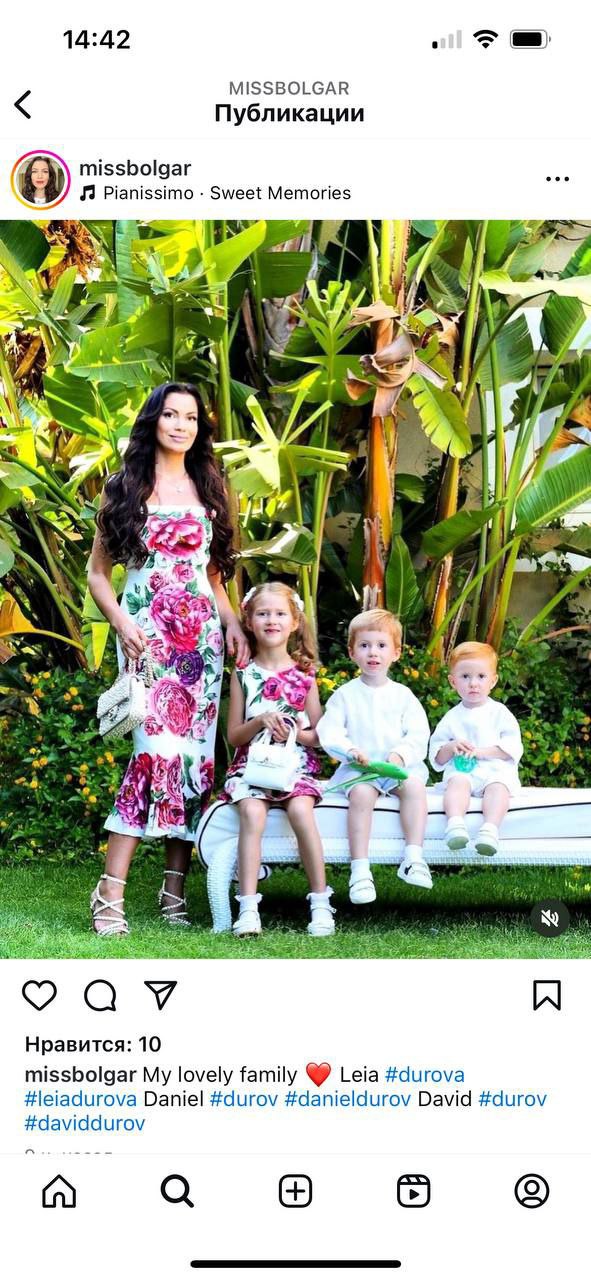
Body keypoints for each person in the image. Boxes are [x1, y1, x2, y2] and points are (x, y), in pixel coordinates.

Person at [87, 382, 249, 936]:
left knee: (195, 760)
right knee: (152, 754)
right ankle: (109, 893)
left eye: (191, 417)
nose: (181, 425)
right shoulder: (124, 487)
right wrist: (122, 624)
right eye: (171, 415)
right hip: (146, 636)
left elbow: (214, 577)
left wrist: (232, 622)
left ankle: (172, 892)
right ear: (153, 420)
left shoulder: (210, 486)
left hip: (200, 643)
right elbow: (97, 575)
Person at [221, 581, 335, 939]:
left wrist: (295, 733)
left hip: (294, 766)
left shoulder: (305, 675)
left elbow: (318, 735)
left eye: (280, 614)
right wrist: (259, 721)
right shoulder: (243, 673)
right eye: (263, 614)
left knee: (301, 811)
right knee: (253, 813)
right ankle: (248, 907)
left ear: (295, 622)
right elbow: (234, 736)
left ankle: (320, 902)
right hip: (251, 766)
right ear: (249, 621)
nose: (272, 620)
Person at [317, 608, 432, 899]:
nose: (373, 652)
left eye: (381, 645)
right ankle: (360, 870)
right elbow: (329, 731)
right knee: (361, 795)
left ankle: (414, 858)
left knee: (414, 787)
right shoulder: (345, 695)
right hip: (360, 769)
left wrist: (400, 755)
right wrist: (350, 751)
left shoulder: (403, 695)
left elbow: (418, 734)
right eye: (365, 645)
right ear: (352, 652)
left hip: (395, 766)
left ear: (396, 653)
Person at [429, 641, 523, 856]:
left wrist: (481, 752)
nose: (473, 683)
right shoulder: (452, 717)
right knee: (456, 783)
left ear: (493, 680)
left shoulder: (500, 713)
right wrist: (451, 747)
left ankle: (490, 829)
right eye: (465, 676)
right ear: (453, 681)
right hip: (464, 770)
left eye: (481, 676)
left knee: (499, 787)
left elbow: (510, 747)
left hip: (494, 769)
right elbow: (438, 756)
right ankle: (455, 825)